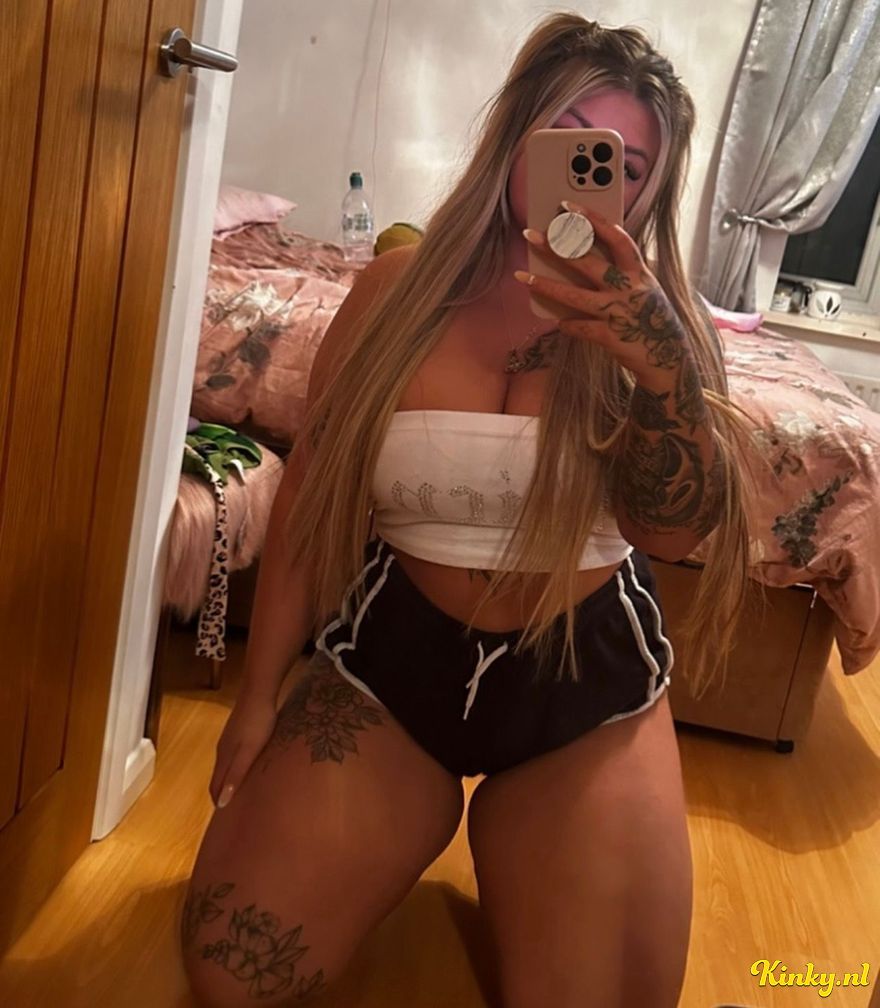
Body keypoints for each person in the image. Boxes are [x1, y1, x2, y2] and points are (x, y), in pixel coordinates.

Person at [181, 12, 760, 1008]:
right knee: (229, 970)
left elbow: (672, 533)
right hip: (396, 663)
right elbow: (312, 492)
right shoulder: (398, 291)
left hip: (584, 685)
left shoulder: (663, 329)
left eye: (621, 165)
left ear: (648, 192)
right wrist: (260, 696)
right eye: (568, 136)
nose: (588, 171)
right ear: (516, 133)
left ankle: (533, 849)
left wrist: (661, 370)